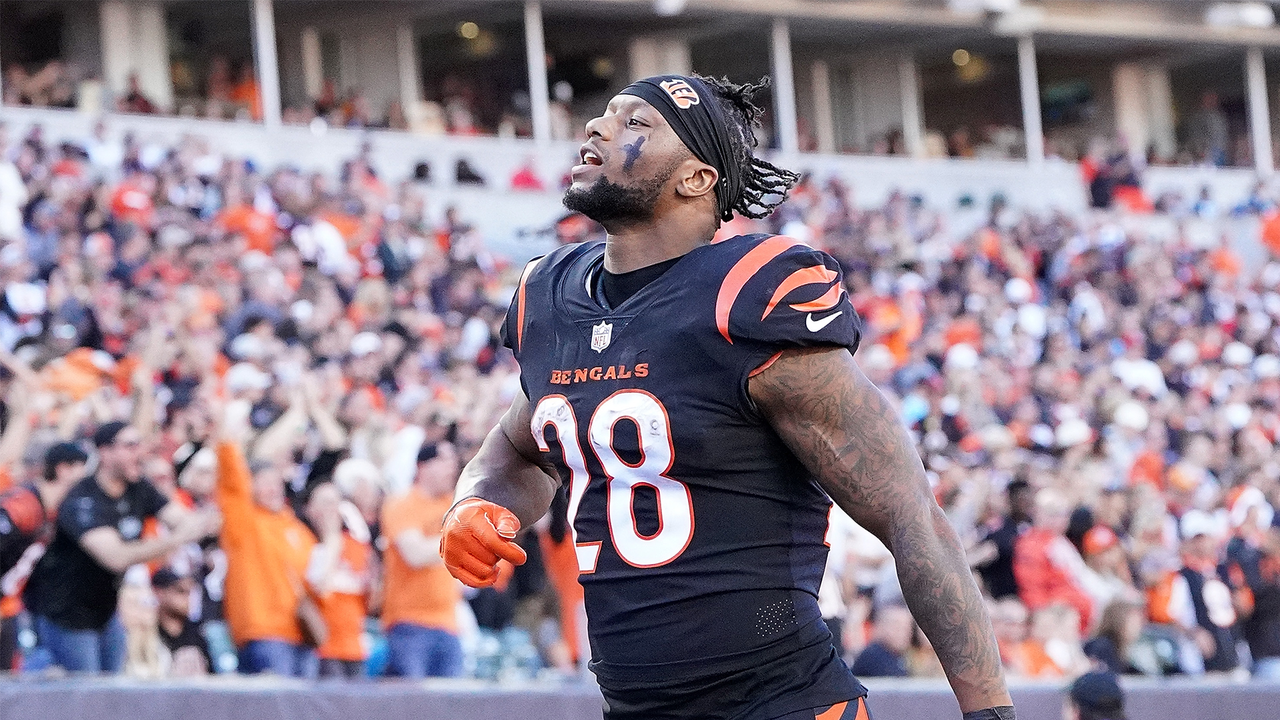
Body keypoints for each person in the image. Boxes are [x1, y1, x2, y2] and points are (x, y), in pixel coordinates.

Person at [439, 74, 1013, 720]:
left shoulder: (743, 297)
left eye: (636, 123)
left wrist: (989, 712)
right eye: (604, 114)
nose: (598, 128)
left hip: (780, 703)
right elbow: (524, 445)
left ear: (695, 179)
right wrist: (477, 500)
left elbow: (912, 518)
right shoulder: (552, 295)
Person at [26, 422, 220, 672]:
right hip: (67, 615)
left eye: (139, 445)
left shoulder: (139, 487)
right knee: (87, 698)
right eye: (130, 446)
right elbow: (115, 557)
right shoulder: (82, 499)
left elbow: (184, 520)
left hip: (106, 611)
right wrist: (176, 540)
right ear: (105, 453)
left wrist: (204, 522)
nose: (138, 452)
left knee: (111, 695)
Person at [214, 414, 319, 678]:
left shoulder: (298, 529)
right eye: (263, 482)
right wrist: (227, 442)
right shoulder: (244, 520)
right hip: (263, 632)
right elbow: (231, 485)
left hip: (303, 636)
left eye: (276, 482)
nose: (272, 488)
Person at [0, 442, 88, 670]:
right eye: (82, 470)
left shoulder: (55, 511)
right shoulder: (23, 505)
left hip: (11, 606)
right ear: (63, 470)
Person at [380, 443, 464, 678]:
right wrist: (460, 539)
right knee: (415, 707)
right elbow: (415, 554)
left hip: (449, 622)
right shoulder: (402, 504)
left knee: (453, 707)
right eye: (445, 461)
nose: (452, 468)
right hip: (409, 623)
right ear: (423, 466)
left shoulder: (455, 503)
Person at [304, 482, 373, 679]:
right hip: (322, 648)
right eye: (325, 502)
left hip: (355, 647)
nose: (332, 509)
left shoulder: (355, 545)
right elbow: (321, 587)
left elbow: (370, 594)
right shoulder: (305, 543)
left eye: (336, 503)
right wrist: (332, 538)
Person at [152, 568, 212, 676]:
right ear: (160, 593)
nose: (187, 598)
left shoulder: (197, 632)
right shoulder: (149, 631)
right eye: (180, 591)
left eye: (189, 593)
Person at [850, 604, 913, 677]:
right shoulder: (873, 656)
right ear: (882, 627)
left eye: (906, 628)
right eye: (897, 626)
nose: (902, 633)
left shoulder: (903, 656)